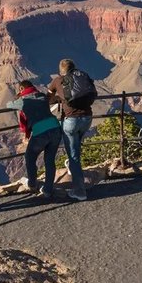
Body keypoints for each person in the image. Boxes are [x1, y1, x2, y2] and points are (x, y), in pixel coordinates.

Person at [48, 59, 97, 201]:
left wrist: (58, 98)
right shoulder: (82, 76)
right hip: (87, 119)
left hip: (70, 121)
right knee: (76, 149)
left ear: (60, 70)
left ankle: (80, 191)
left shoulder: (58, 80)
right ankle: (73, 167)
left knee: (74, 157)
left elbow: (48, 96)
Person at [6, 80, 62, 198]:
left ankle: (32, 184)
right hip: (55, 127)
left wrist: (18, 98)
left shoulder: (23, 101)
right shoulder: (41, 95)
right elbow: (50, 99)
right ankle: (47, 189)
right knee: (49, 160)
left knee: (30, 157)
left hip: (40, 132)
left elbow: (9, 105)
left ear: (21, 88)